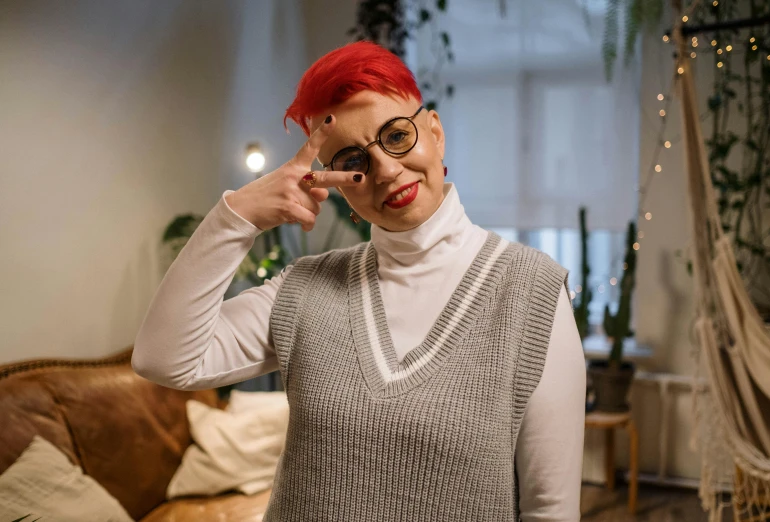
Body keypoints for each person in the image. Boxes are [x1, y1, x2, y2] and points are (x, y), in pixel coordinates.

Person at [132, 40, 586, 521]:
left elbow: (550, 510)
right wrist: (236, 215)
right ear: (329, 181)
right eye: (353, 162)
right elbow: (164, 359)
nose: (387, 171)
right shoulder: (304, 290)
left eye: (396, 136)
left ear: (435, 131)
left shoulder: (531, 293)